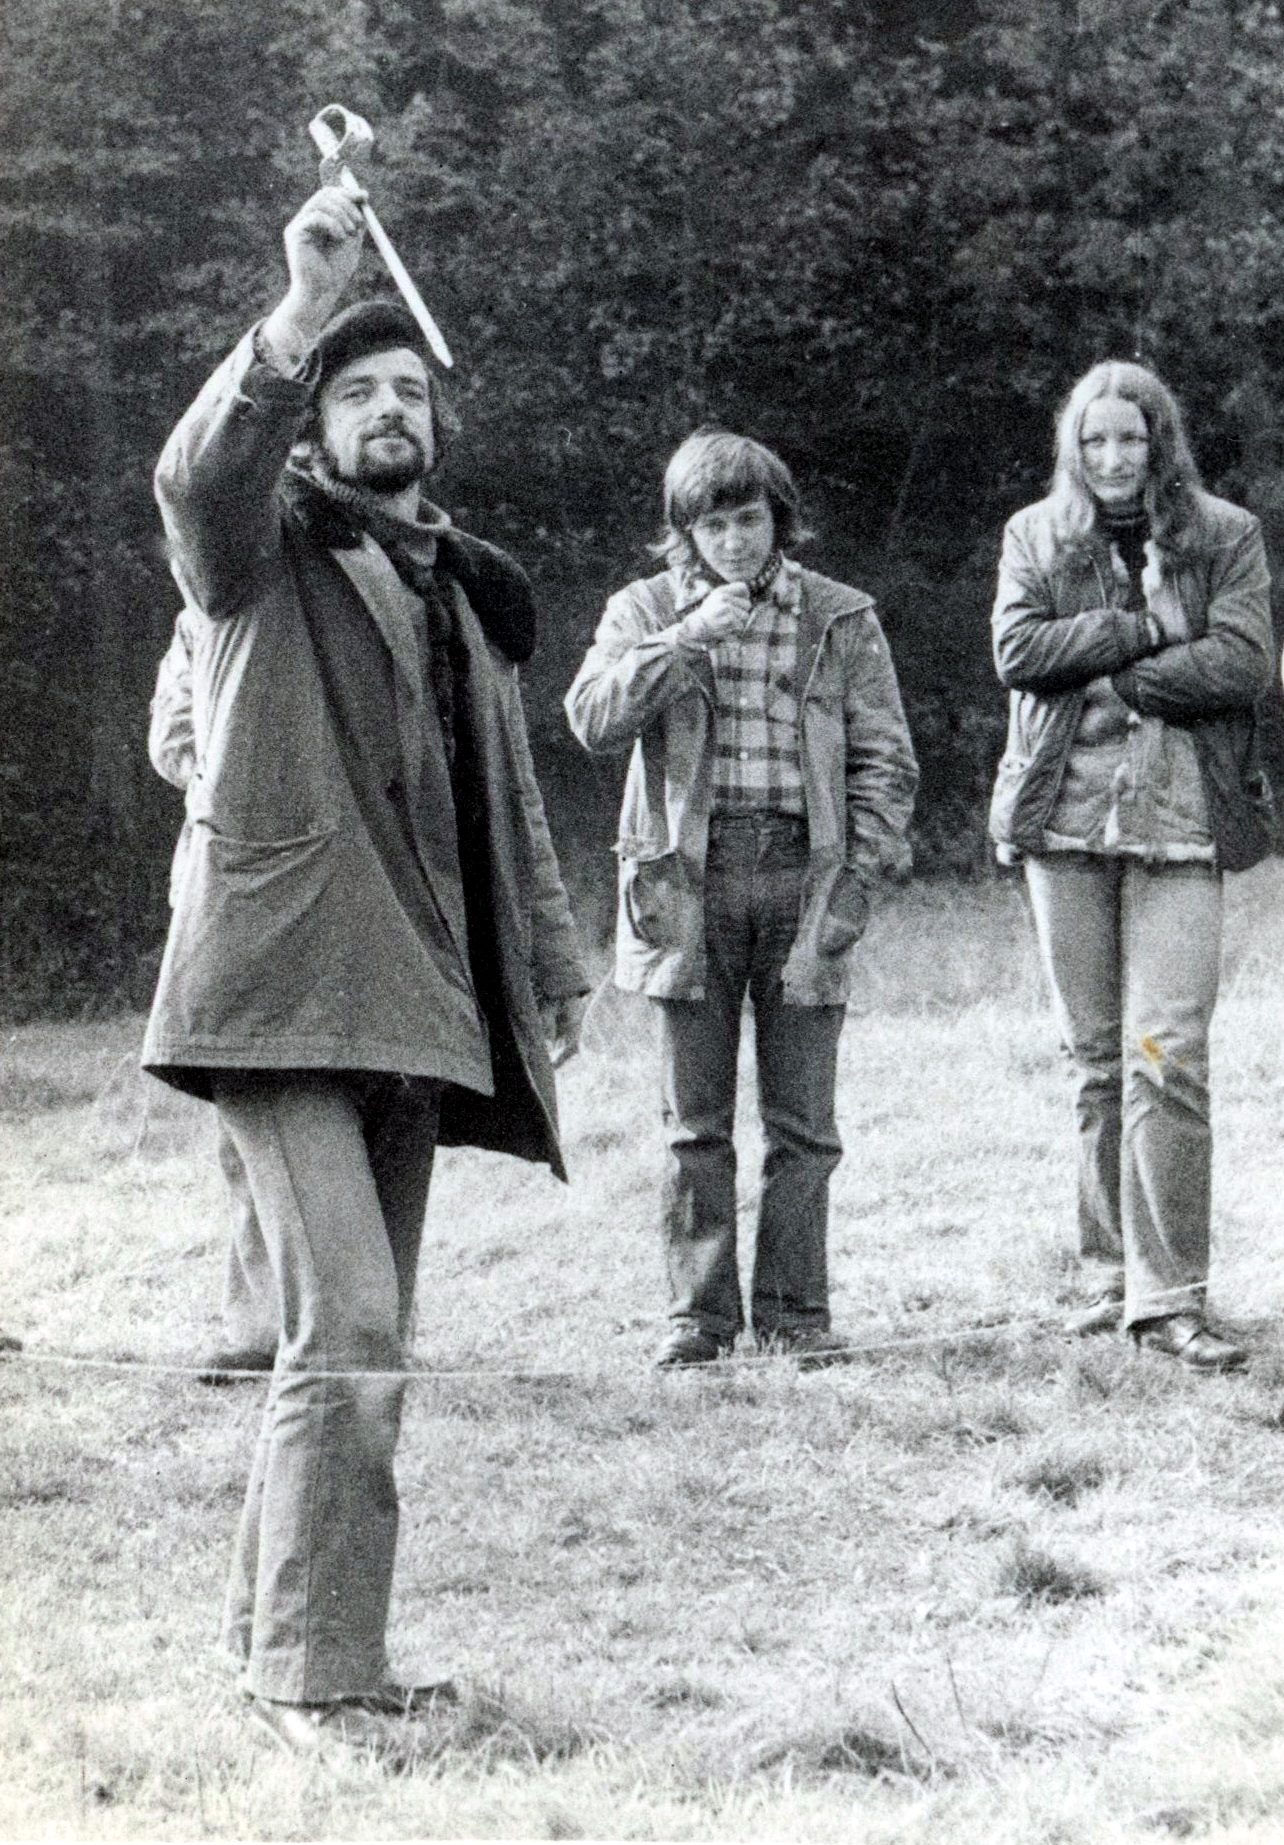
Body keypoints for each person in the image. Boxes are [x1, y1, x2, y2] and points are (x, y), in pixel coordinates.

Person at [144, 179, 589, 1752]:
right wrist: (300, 307)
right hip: (275, 997)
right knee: (347, 1331)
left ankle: (291, 1647)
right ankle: (315, 1683)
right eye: (357, 392)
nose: (390, 409)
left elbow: (506, 798)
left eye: (410, 391)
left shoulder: (461, 585)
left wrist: (551, 959)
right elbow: (197, 475)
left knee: (350, 1342)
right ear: (314, 428)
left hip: (420, 1003)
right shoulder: (254, 556)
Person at [565, 429, 918, 1367]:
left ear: (778, 519)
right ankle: (698, 1319)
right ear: (684, 532)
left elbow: (885, 756)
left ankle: (796, 1314)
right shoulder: (645, 609)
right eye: (712, 525)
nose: (733, 540)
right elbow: (590, 718)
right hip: (687, 884)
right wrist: (684, 638)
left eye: (749, 519)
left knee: (804, 1125)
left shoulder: (839, 615)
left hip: (806, 877)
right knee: (693, 1124)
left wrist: (860, 873)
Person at [988, 360, 1276, 1371]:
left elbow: (1242, 662)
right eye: (1094, 439)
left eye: (1131, 438)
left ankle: (1171, 1299)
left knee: (1169, 1055)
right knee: (1096, 1061)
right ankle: (1109, 1278)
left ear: (1161, 442)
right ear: (1073, 447)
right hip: (1061, 822)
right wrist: (1144, 630)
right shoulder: (1034, 534)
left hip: (1182, 820)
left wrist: (1115, 674)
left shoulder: (1226, 534)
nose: (1112, 458)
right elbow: (1018, 653)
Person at [149, 604, 277, 1380]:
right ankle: (260, 1328)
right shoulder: (205, 613)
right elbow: (172, 737)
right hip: (232, 878)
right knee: (248, 1114)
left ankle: (357, 1323)